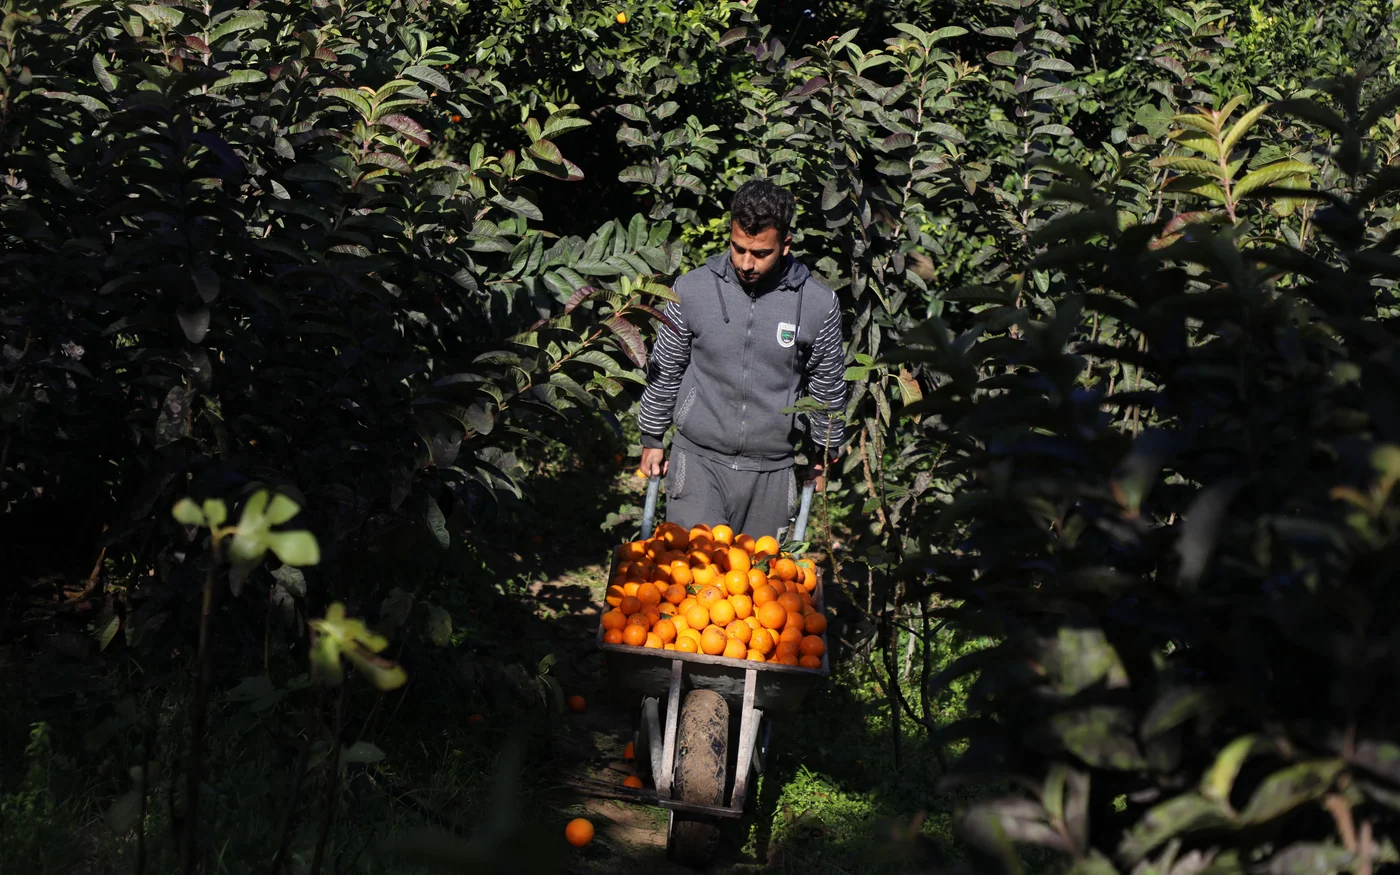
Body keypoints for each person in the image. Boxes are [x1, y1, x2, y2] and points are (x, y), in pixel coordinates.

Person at [637, 179, 849, 540]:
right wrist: (652, 437)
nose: (746, 263)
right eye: (738, 249)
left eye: (761, 253)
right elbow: (666, 367)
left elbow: (826, 382)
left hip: (772, 471)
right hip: (698, 461)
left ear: (785, 245)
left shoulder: (817, 304)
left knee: (758, 587)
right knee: (693, 582)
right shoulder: (691, 289)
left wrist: (822, 452)